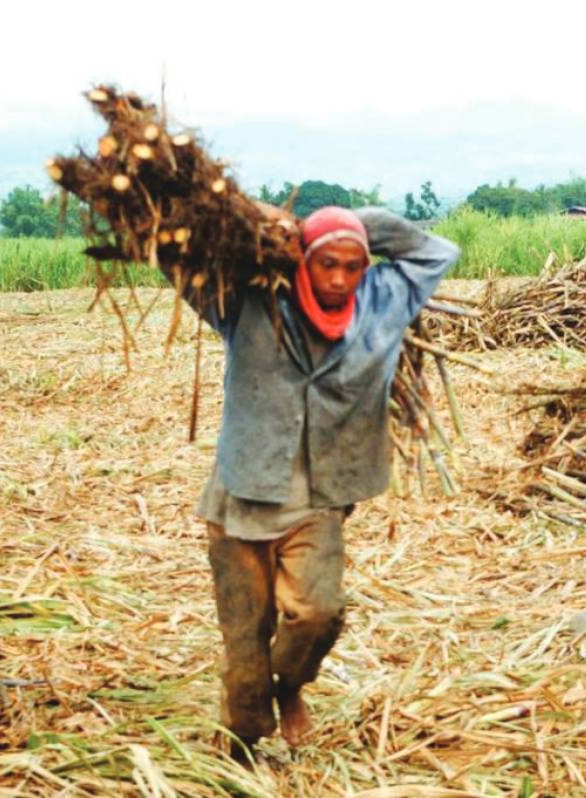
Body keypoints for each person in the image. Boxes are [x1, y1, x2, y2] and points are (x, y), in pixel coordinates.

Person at [181, 205, 459, 762]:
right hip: (241, 496)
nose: (338, 279)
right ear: (301, 261)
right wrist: (278, 232)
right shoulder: (248, 301)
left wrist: (346, 222)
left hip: (321, 497)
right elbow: (180, 261)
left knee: (320, 612)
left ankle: (291, 686)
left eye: (353, 265)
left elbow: (437, 251)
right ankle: (243, 742)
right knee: (244, 647)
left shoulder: (386, 301)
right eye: (325, 262)